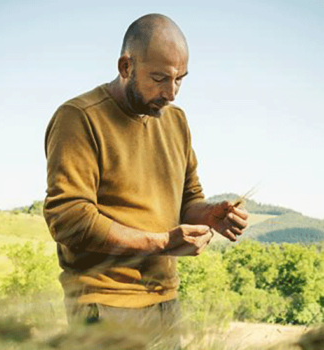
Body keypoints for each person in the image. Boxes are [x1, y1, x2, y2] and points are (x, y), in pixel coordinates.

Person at [43, 13, 248, 347]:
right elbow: (69, 220)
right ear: (126, 66)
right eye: (159, 78)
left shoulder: (176, 122)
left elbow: (188, 198)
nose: (172, 93)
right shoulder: (79, 118)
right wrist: (163, 242)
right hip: (105, 305)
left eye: (180, 79)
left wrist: (208, 214)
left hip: (166, 301)